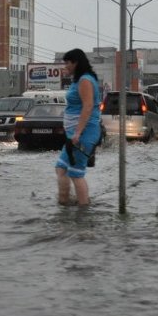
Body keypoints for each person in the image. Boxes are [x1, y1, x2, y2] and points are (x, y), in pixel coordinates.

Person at [55, 48, 102, 207]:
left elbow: (88, 106)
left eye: (68, 63)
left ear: (76, 63)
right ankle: (64, 204)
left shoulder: (85, 81)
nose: (65, 66)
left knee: (76, 174)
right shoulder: (80, 80)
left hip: (83, 134)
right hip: (74, 134)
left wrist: (77, 133)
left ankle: (84, 212)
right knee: (61, 168)